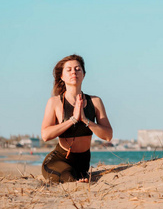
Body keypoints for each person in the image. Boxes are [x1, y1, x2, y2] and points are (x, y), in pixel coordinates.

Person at [41, 54, 112, 183]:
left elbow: (108, 136)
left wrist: (85, 120)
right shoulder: (55, 102)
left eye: (78, 69)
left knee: (77, 175)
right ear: (61, 76)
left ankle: (76, 178)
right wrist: (73, 119)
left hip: (83, 163)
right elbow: (45, 135)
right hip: (59, 160)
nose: (74, 72)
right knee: (68, 177)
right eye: (69, 69)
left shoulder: (95, 102)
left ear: (84, 74)